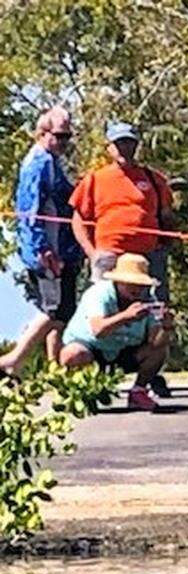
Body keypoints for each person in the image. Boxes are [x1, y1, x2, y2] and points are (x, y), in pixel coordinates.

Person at [69, 120, 175, 397]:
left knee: (154, 311)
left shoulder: (153, 179)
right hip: (110, 256)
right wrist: (92, 253)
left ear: (136, 145)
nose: (125, 148)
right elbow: (78, 220)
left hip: (146, 257)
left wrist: (165, 242)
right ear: (110, 147)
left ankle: (148, 374)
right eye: (119, 143)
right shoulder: (95, 179)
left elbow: (166, 217)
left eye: (129, 142)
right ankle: (97, 372)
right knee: (105, 311)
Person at [1, 106, 83, 380]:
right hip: (49, 250)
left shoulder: (51, 160)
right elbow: (30, 209)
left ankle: (54, 368)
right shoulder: (39, 163)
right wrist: (43, 249)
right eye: (59, 136)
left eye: (67, 136)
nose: (64, 142)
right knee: (54, 309)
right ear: (42, 133)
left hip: (60, 249)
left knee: (61, 311)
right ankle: (13, 360)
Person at [59, 253, 174, 412]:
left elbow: (156, 342)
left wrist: (166, 328)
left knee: (159, 351)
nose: (137, 289)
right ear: (118, 281)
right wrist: (126, 316)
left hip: (123, 351)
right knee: (72, 354)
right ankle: (77, 392)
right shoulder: (99, 294)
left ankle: (138, 392)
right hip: (91, 348)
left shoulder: (149, 300)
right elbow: (98, 330)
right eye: (131, 284)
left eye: (141, 284)